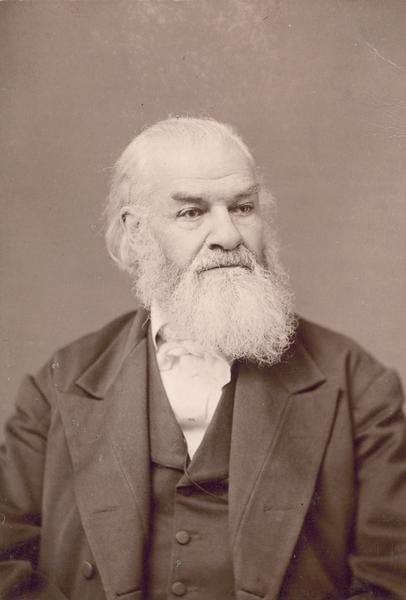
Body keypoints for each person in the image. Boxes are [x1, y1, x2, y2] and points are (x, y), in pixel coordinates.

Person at [1, 117, 405, 600]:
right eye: (192, 213)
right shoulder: (57, 385)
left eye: (243, 207)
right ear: (135, 232)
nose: (229, 236)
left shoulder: (357, 384)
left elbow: (392, 576)